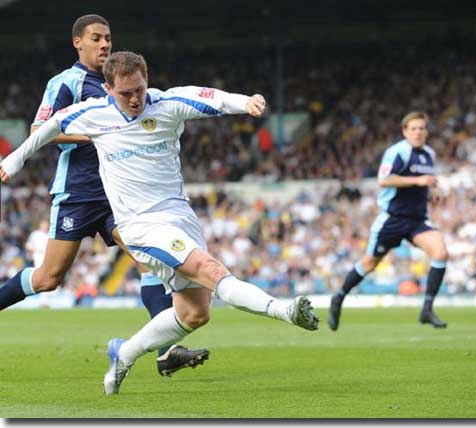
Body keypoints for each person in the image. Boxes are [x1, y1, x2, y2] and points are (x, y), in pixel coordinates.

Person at [0, 51, 320, 395]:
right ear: (108, 89)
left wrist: (247, 102)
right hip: (140, 226)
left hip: (180, 217)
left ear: (147, 80)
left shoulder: (166, 104)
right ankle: (285, 310)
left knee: (195, 313)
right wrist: (14, 160)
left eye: (140, 89)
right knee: (210, 270)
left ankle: (123, 353)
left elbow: (207, 97)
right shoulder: (92, 114)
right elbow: (49, 126)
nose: (135, 99)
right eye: (125, 93)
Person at [0, 14, 208, 377]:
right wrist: (98, 134)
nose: (104, 44)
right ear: (77, 43)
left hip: (119, 197)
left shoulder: (118, 85)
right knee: (48, 278)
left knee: (148, 262)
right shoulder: (67, 82)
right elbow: (40, 129)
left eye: (108, 38)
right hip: (78, 192)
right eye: (96, 38)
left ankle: (165, 349)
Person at [328, 111, 449, 330]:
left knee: (440, 252)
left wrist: (433, 190)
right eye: (413, 128)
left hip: (417, 220)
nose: (418, 132)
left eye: (422, 128)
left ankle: (427, 309)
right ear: (405, 131)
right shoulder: (397, 152)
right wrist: (419, 180)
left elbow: (424, 183)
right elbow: (384, 180)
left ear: (427, 131)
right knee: (369, 263)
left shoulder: (429, 154)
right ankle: (338, 297)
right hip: (392, 219)